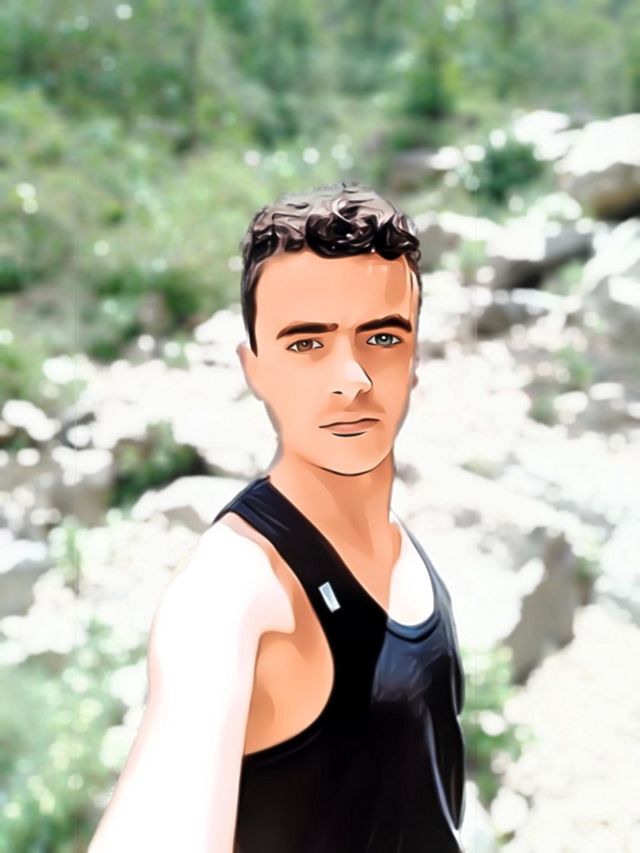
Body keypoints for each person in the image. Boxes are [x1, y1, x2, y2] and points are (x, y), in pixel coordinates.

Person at [88, 181, 467, 853]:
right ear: (253, 368)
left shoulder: (401, 545)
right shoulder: (233, 590)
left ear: (414, 356)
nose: (351, 377)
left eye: (382, 336)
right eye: (306, 344)